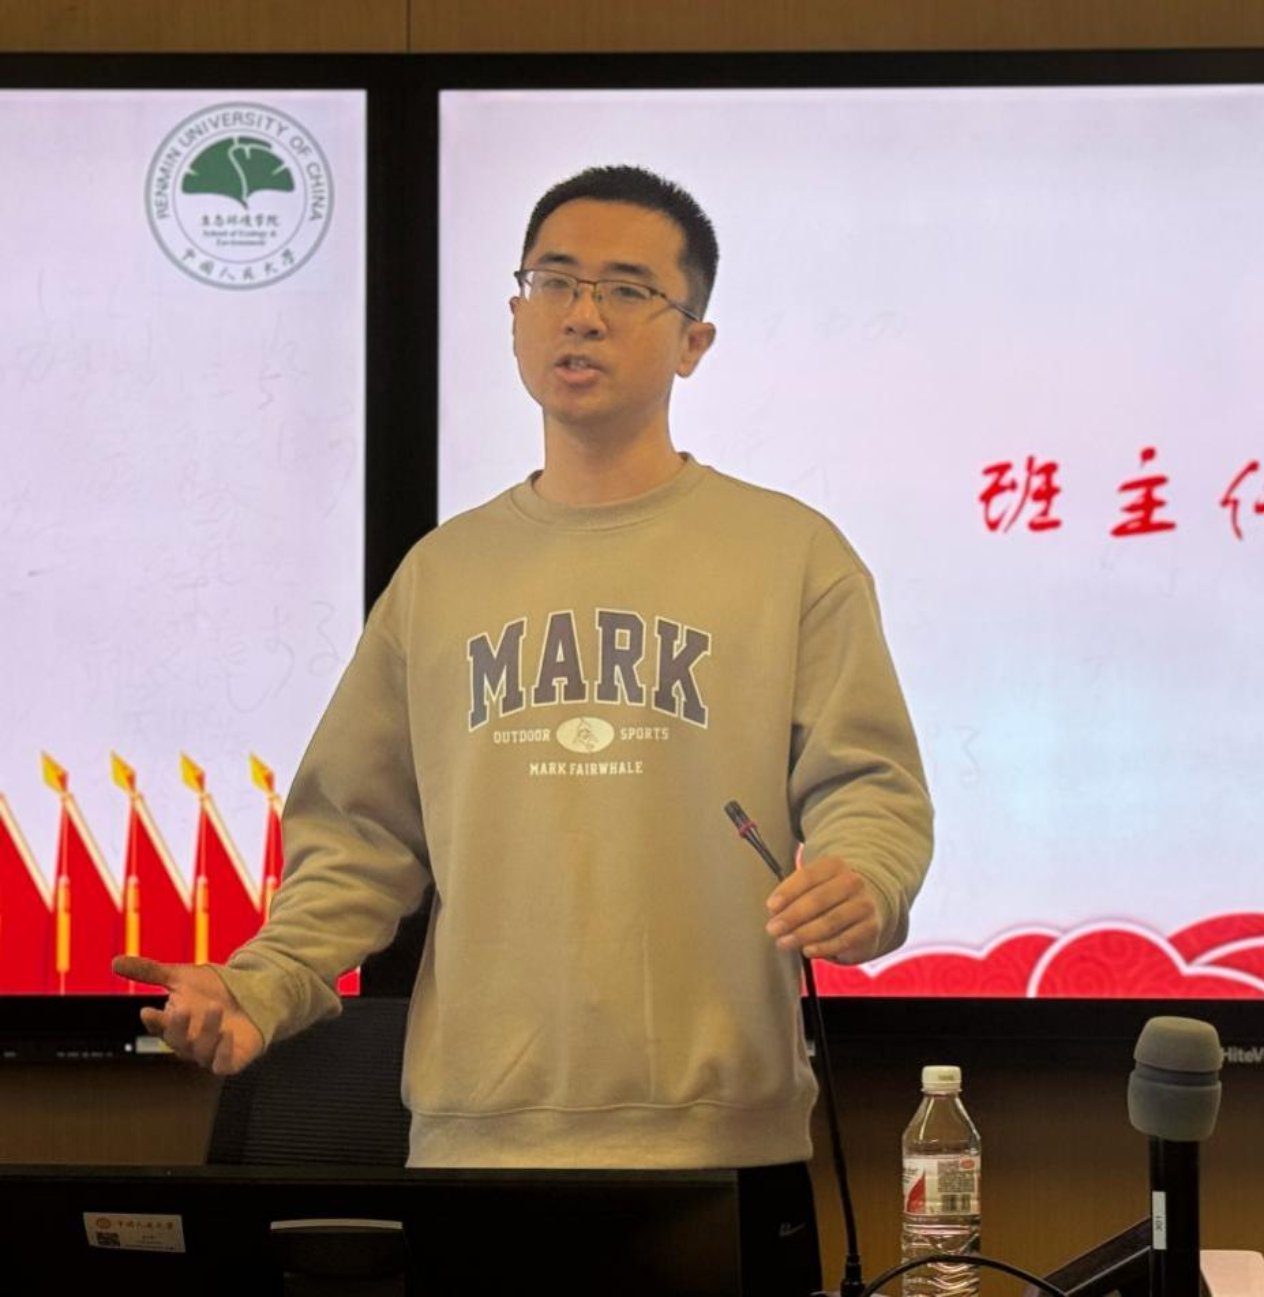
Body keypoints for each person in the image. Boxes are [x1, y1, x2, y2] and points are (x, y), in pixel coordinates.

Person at [115, 164, 933, 1291]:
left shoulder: (792, 555)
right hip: (477, 1144)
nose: (582, 313)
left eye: (627, 288)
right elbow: (359, 837)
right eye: (554, 281)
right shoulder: (442, 575)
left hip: (723, 1146)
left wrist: (865, 878)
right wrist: (263, 981)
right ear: (515, 315)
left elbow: (869, 788)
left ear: (693, 342)